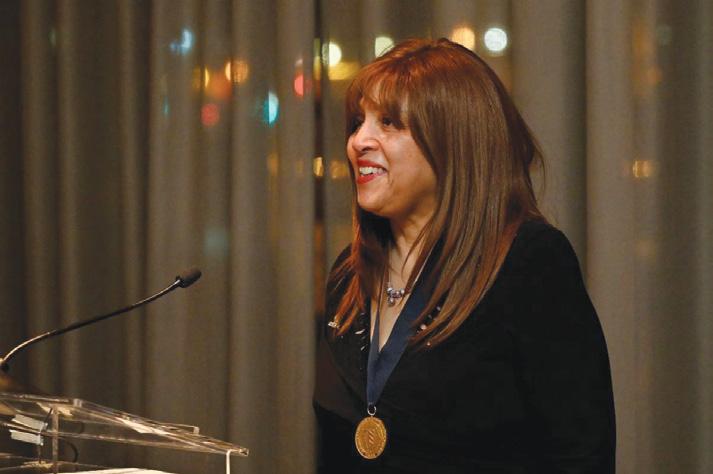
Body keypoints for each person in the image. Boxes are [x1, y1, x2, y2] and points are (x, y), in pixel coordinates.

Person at [313, 38, 615, 473]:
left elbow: (582, 457)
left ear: (453, 140)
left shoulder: (528, 262)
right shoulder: (349, 273)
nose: (359, 140)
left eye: (389, 122)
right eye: (359, 122)